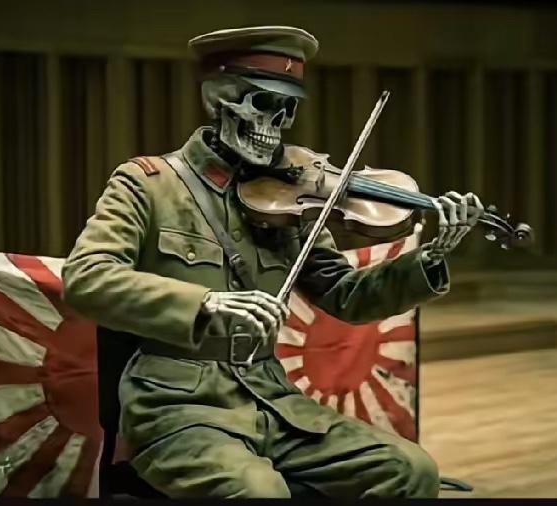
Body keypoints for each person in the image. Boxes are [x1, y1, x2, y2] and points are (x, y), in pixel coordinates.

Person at [62, 26, 483, 499]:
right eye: (262, 104)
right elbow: (87, 277)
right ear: (219, 99)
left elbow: (347, 296)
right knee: (259, 492)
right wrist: (206, 303)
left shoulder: (290, 194)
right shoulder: (148, 184)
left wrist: (431, 256)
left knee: (410, 470)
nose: (275, 125)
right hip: (178, 408)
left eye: (287, 110)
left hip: (272, 400)